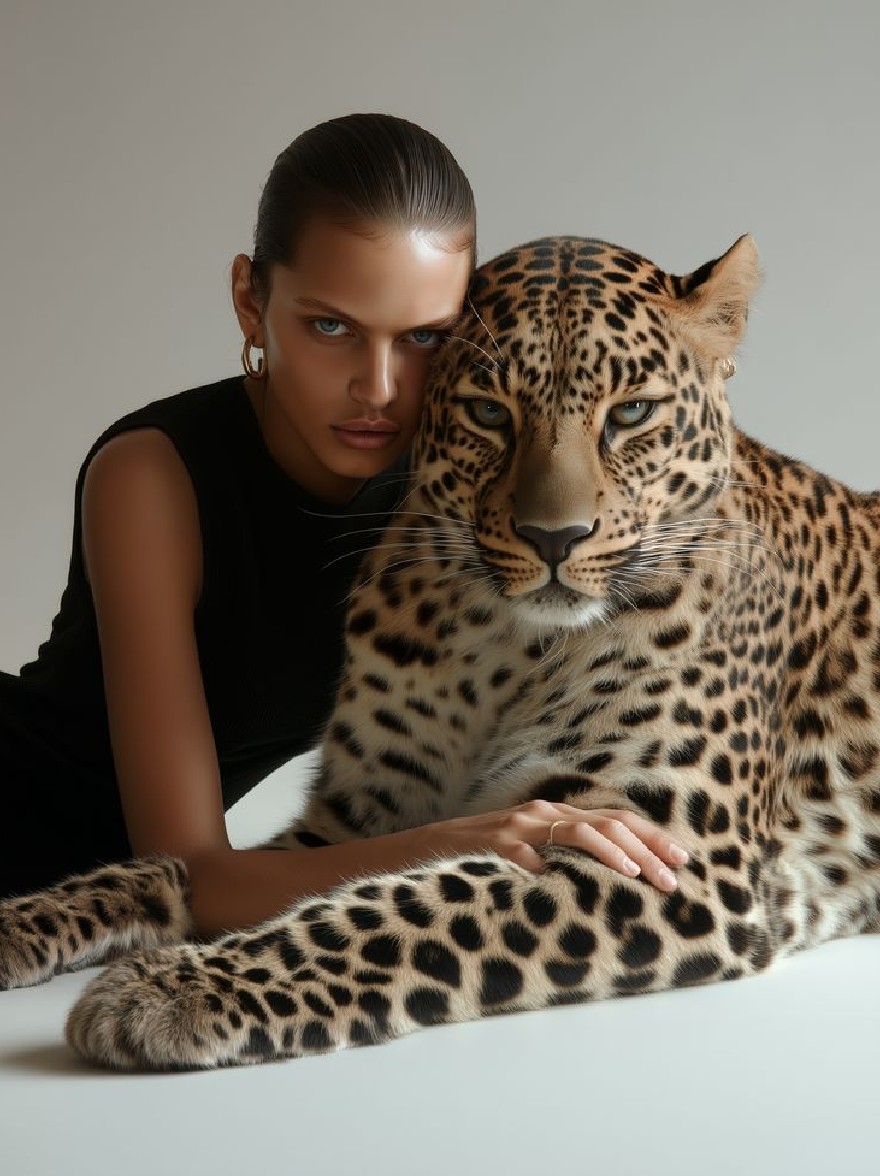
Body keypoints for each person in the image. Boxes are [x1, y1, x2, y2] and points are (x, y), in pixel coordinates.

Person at [0, 113, 689, 933]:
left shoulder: (466, 488)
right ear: (250, 303)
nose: (379, 388)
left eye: (424, 337)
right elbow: (184, 882)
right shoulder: (151, 475)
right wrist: (454, 845)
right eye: (331, 327)